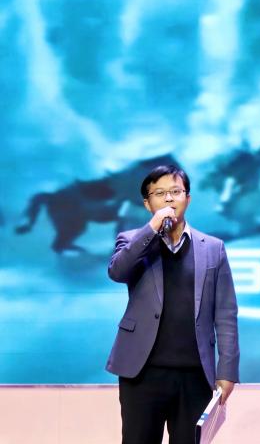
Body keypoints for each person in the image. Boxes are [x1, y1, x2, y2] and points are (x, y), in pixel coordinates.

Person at [106, 165, 239, 444]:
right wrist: (151, 230)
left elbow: (226, 312)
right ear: (147, 203)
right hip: (142, 372)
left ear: (187, 198)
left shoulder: (212, 248)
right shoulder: (132, 240)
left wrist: (227, 370)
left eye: (175, 191)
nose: (168, 198)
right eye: (159, 193)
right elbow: (118, 272)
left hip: (195, 373)